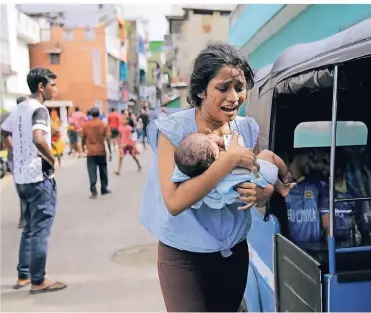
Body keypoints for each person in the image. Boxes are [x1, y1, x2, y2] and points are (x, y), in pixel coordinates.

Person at [140, 42, 274, 312]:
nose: (233, 97)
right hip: (184, 257)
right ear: (201, 89)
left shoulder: (246, 129)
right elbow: (175, 202)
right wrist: (228, 160)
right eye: (222, 88)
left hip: (233, 252)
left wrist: (266, 192)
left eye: (239, 87)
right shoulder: (174, 131)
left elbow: (260, 175)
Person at [0, 67, 67, 294]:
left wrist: (17, 150)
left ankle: (24, 275)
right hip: (38, 178)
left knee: (29, 228)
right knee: (39, 230)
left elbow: (3, 130)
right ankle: (39, 280)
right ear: (41, 86)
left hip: (21, 178)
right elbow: (38, 138)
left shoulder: (18, 108)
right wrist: (51, 158)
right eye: (52, 85)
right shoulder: (39, 110)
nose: (55, 89)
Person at [172, 133, 295, 210]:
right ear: (215, 152)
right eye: (209, 140)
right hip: (261, 173)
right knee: (268, 154)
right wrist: (220, 140)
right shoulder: (226, 155)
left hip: (251, 188)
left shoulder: (210, 179)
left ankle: (282, 188)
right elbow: (237, 144)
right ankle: (285, 178)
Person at [1, 96, 28, 228]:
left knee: (22, 188)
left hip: (16, 158)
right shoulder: (15, 118)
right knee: (26, 188)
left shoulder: (10, 117)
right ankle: (25, 217)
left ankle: (25, 217)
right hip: (19, 158)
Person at [82, 107, 112, 199]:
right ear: (99, 114)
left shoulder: (86, 125)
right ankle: (104, 188)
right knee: (103, 170)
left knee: (92, 171)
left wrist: (83, 146)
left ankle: (93, 190)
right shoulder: (103, 125)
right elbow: (108, 138)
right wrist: (110, 151)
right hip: (101, 151)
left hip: (90, 152)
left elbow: (83, 137)